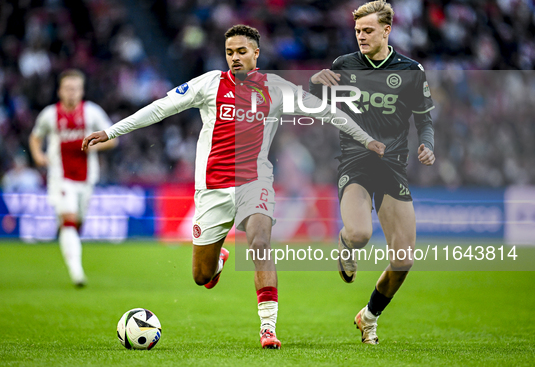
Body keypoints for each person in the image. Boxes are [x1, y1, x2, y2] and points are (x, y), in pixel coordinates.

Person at [82, 25, 385, 348]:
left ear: (256, 53)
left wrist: (366, 139)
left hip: (254, 182)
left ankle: (267, 328)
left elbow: (327, 112)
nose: (235, 58)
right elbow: (160, 107)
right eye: (230, 52)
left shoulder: (276, 88)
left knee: (260, 243)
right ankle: (219, 260)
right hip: (212, 190)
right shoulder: (210, 83)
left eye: (242, 51)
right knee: (202, 276)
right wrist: (112, 131)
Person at [309, 0, 436, 344]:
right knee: (361, 234)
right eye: (357, 31)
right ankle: (346, 243)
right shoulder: (345, 64)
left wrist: (428, 144)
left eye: (367, 30)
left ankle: (369, 316)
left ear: (386, 30)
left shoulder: (411, 70)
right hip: (356, 162)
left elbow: (424, 119)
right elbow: (314, 100)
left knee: (404, 259)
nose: (361, 36)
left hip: (393, 166)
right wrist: (315, 83)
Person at [29, 69, 117, 287]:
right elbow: (35, 137)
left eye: (75, 88)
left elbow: (113, 139)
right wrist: (38, 155)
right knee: (69, 220)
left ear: (82, 91)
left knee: (77, 222)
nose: (71, 92)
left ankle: (67, 236)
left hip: (87, 178)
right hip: (60, 177)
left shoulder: (92, 112)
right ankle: (77, 273)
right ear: (60, 91)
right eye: (68, 88)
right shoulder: (50, 114)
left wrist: (96, 144)